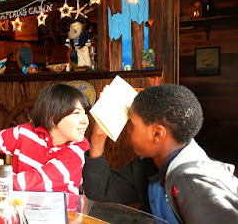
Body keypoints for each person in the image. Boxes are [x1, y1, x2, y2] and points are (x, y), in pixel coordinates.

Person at [83, 84, 238, 223]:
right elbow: (99, 192)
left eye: (132, 124)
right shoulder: (153, 165)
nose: (128, 130)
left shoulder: (195, 186)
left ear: (157, 133)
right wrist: (98, 137)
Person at [0, 83, 91, 209]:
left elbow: (43, 178)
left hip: (63, 216)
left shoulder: (79, 147)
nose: (85, 121)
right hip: (20, 211)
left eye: (85, 113)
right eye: (77, 113)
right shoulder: (24, 132)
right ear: (52, 117)